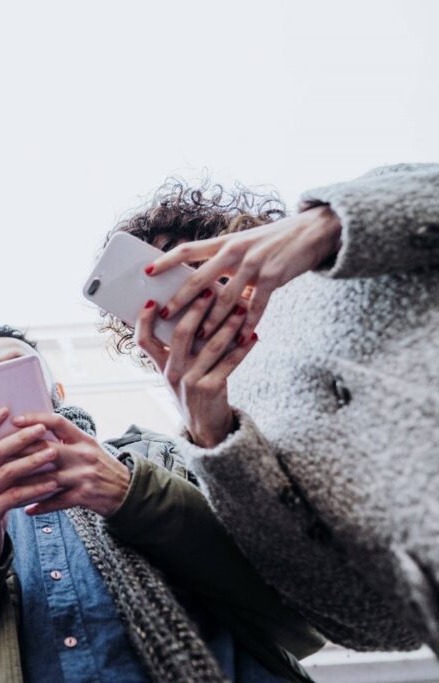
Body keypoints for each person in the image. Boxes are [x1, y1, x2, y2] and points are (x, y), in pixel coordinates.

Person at [98, 168, 439, 652]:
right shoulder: (228, 431)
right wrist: (217, 440)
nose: (179, 292)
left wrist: (332, 224)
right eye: (148, 305)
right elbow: (377, 625)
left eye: (178, 258)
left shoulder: (342, 246)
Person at [0, 325, 322, 683]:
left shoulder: (153, 456)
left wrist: (132, 493)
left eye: (22, 370)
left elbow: (285, 599)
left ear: (57, 392)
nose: (10, 388)